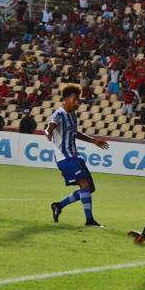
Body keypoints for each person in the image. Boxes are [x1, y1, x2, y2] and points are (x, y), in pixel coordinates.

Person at [48, 84, 109, 227]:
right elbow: (50, 127)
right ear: (66, 99)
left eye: (78, 100)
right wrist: (48, 133)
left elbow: (75, 133)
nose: (78, 103)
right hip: (65, 158)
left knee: (90, 188)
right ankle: (89, 221)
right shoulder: (59, 114)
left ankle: (59, 205)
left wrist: (93, 141)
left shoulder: (73, 116)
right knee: (84, 184)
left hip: (74, 156)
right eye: (75, 100)